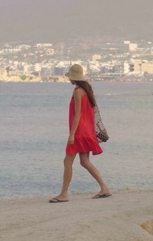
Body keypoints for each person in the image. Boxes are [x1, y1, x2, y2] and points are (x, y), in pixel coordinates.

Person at [49, 64, 111, 203]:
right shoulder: (87, 90)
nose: (69, 79)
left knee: (67, 161)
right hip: (86, 131)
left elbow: (77, 115)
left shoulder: (78, 91)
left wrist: (71, 134)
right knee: (84, 161)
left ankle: (64, 194)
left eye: (70, 77)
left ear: (73, 78)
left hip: (79, 132)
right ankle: (104, 187)